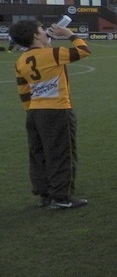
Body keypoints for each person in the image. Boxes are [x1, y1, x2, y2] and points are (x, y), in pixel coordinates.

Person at [11, 19, 91, 209]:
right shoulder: (52, 54)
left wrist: (31, 110)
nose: (45, 32)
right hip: (56, 110)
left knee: (39, 154)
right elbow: (83, 51)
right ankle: (62, 197)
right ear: (35, 35)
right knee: (62, 153)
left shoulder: (21, 60)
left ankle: (44, 193)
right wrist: (69, 34)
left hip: (34, 112)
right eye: (41, 30)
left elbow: (23, 89)